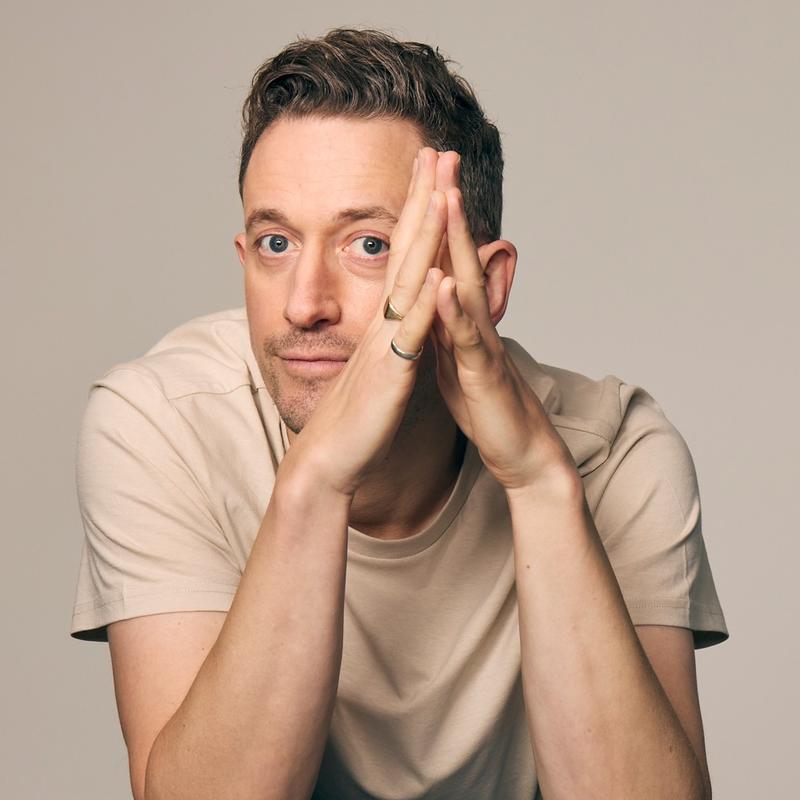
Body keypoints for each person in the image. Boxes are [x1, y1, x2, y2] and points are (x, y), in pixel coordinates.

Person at [69, 27, 729, 800]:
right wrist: (316, 480)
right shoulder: (161, 422)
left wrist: (541, 485)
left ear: (487, 281)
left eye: (370, 245)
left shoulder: (614, 451)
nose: (305, 304)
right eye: (276, 242)